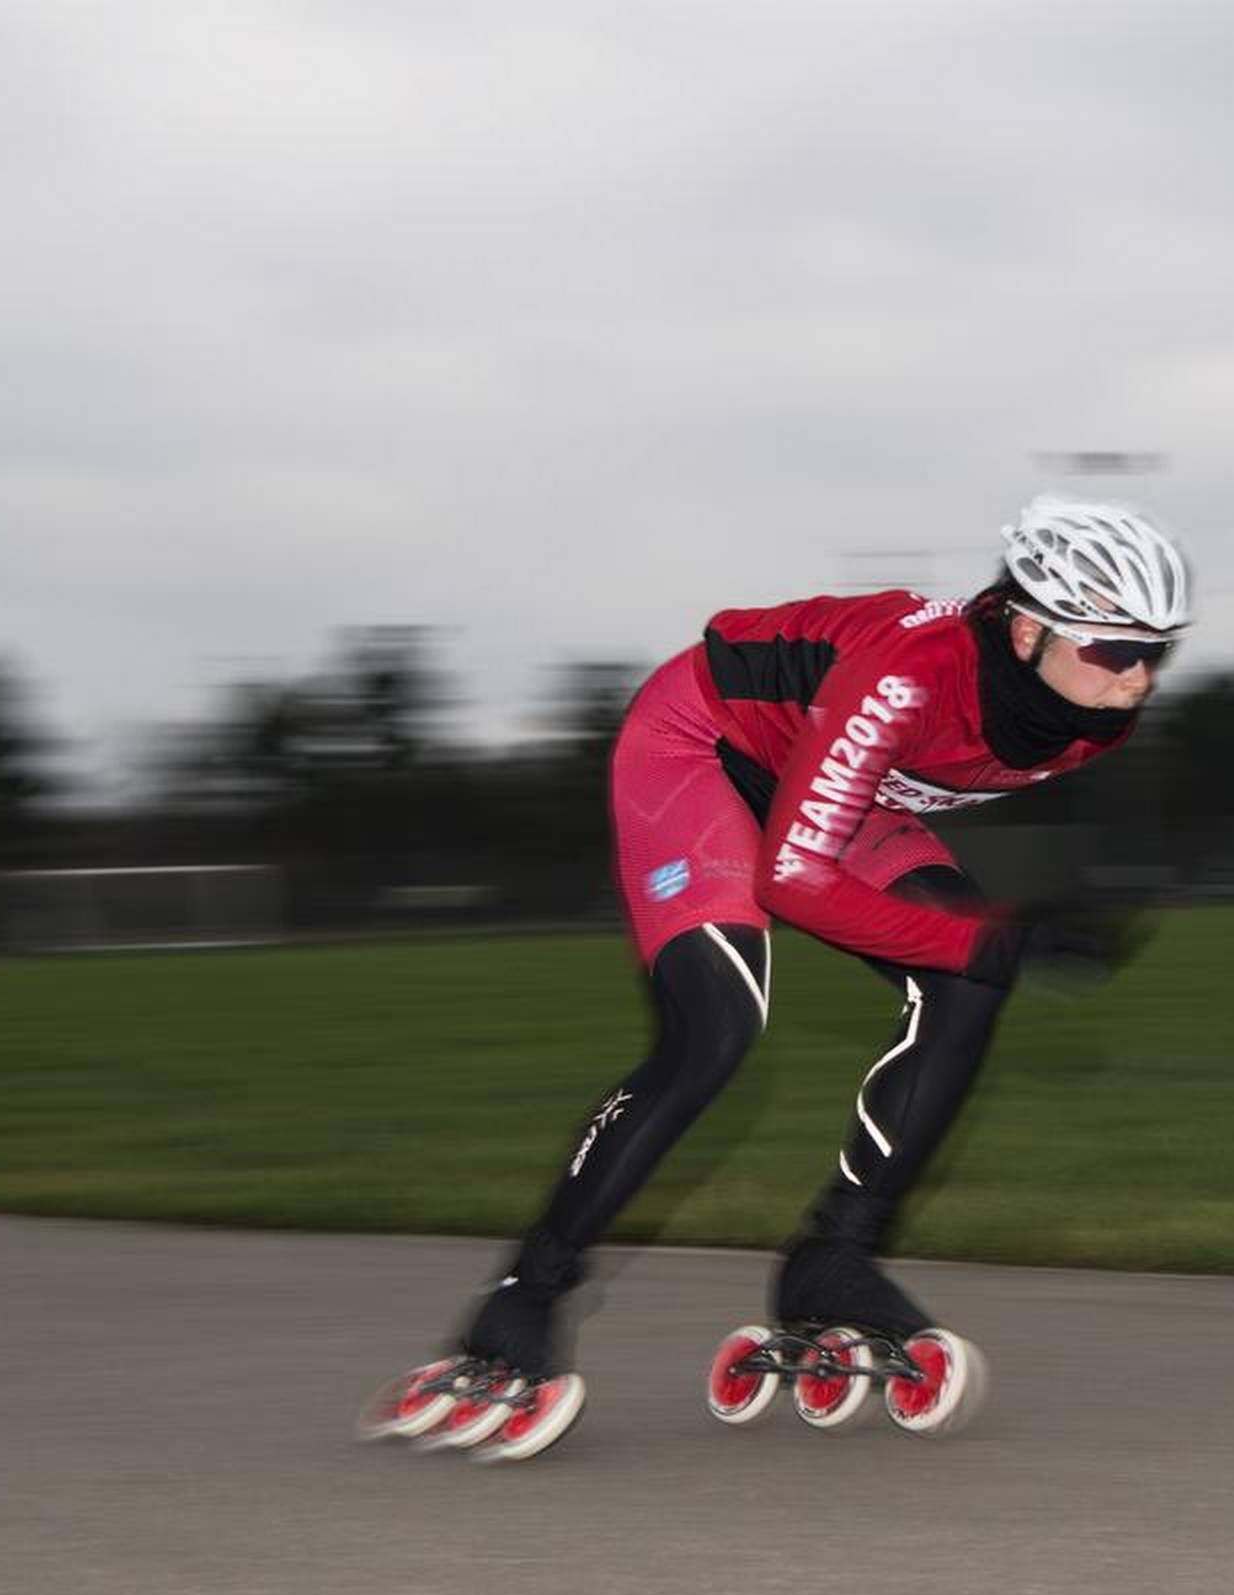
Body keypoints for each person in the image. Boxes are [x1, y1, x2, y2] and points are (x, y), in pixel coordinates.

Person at [361, 494, 1191, 1460]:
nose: (1135, 679)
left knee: (967, 978)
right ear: (1026, 623)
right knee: (715, 1026)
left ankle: (831, 1260)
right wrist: (994, 937)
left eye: (1155, 653)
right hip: (700, 746)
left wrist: (995, 939)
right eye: (1111, 651)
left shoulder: (1092, 720)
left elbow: (855, 813)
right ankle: (524, 1296)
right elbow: (793, 882)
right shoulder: (908, 675)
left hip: (827, 779)